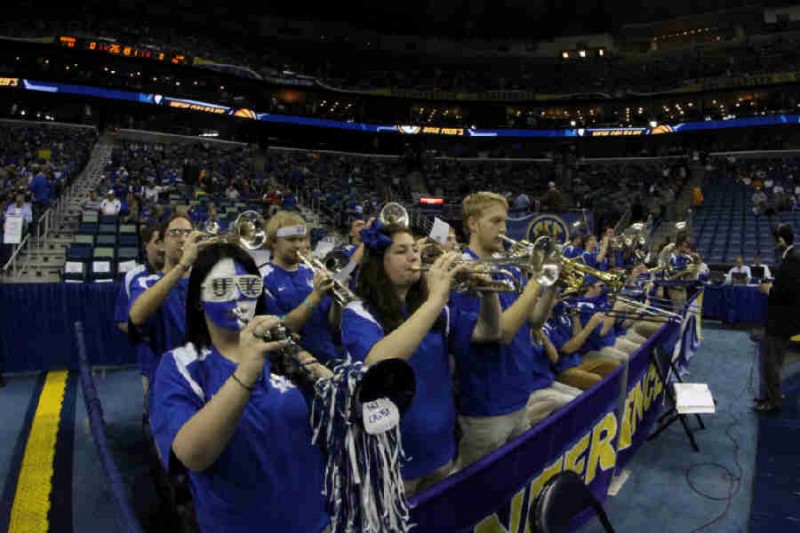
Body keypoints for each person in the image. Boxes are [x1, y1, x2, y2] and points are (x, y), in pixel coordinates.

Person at [149, 242, 330, 532]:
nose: (239, 295)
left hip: (315, 520)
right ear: (198, 298)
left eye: (248, 284)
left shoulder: (282, 349)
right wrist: (246, 372)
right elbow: (191, 456)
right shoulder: (180, 364)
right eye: (222, 287)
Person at [341, 221, 501, 494]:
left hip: (440, 447)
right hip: (392, 457)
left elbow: (490, 331)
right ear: (379, 263)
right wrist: (436, 299)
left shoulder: (435, 310)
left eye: (415, 249)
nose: (414, 256)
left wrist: (489, 296)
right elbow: (379, 363)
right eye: (401, 251)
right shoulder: (358, 312)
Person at [449, 192, 556, 468]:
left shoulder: (508, 266)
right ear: (473, 224)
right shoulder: (464, 271)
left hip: (519, 395)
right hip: (487, 409)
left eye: (505, 222)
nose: (504, 230)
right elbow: (502, 333)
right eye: (495, 221)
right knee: (479, 496)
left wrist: (551, 284)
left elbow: (533, 320)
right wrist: (537, 280)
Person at [129, 215, 201, 391]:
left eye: (188, 233)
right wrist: (183, 265)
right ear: (161, 243)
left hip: (204, 376)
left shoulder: (206, 282)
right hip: (168, 382)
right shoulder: (146, 282)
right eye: (175, 233)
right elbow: (136, 316)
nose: (183, 239)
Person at [260, 211, 340, 365]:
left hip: (329, 356)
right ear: (273, 242)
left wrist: (338, 300)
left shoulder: (313, 272)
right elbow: (283, 328)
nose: (298, 245)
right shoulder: (263, 278)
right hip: (293, 367)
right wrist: (315, 296)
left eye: (302, 239)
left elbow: (333, 325)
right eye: (291, 240)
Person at [114, 225, 165, 403]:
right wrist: (149, 334)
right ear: (146, 246)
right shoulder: (132, 278)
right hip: (150, 360)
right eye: (158, 242)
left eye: (165, 241)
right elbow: (121, 320)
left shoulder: (183, 274)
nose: (163, 247)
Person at [756, 224, 800, 413]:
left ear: (781, 240)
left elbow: (789, 293)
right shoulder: (790, 259)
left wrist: (769, 291)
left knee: (771, 362)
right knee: (773, 361)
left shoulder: (792, 261)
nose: (774, 244)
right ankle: (769, 396)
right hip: (781, 321)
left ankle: (773, 402)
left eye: (775, 241)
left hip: (780, 322)